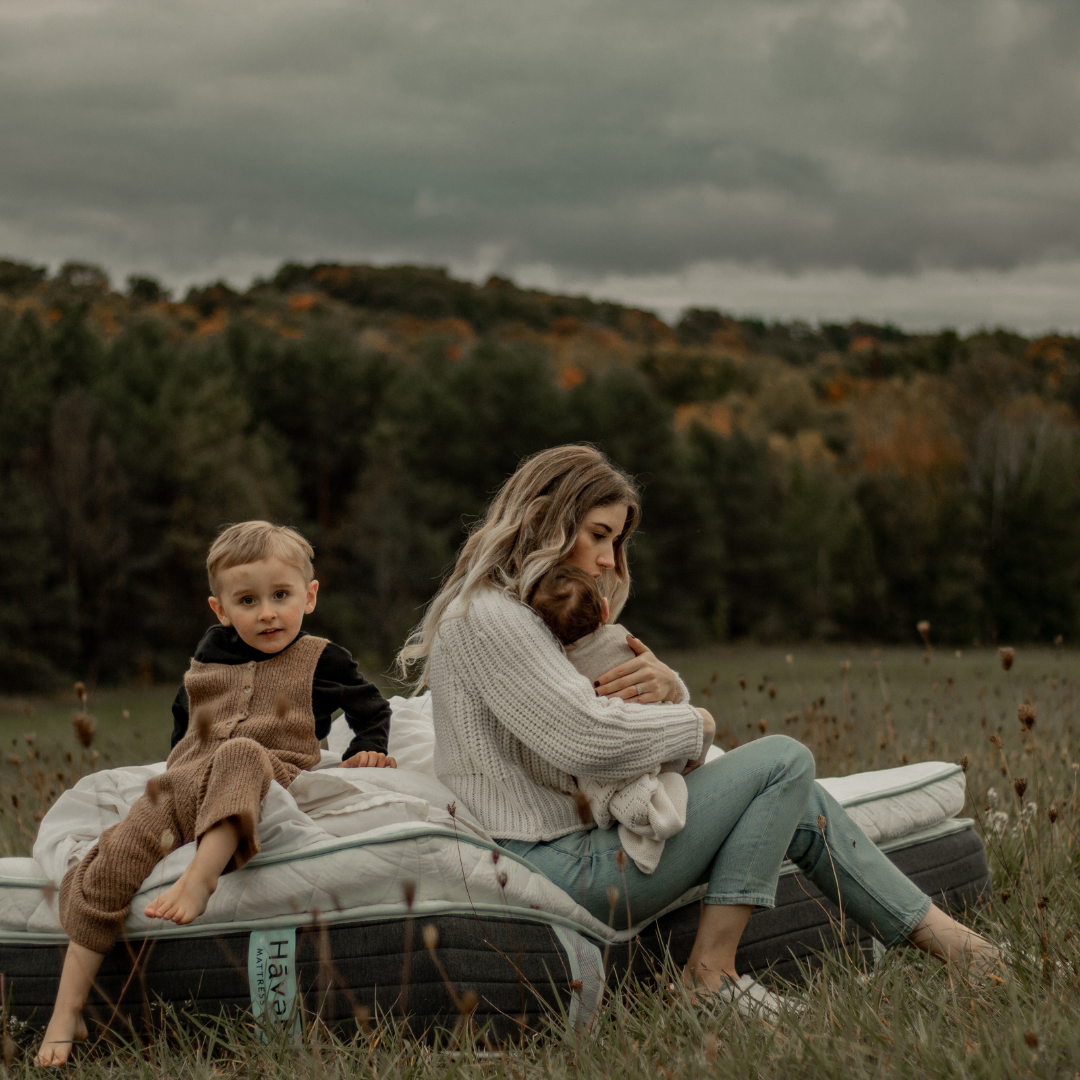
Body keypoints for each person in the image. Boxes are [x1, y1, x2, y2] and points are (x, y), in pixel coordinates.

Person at [399, 444, 997, 1017]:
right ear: (546, 522)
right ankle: (710, 976)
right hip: (557, 865)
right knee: (783, 761)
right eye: (599, 535)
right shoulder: (488, 618)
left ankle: (964, 952)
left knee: (799, 793)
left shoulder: (526, 619)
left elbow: (599, 718)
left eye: (617, 541)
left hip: (570, 849)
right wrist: (699, 722)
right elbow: (589, 739)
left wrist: (671, 691)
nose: (609, 560)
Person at [36, 521, 395, 1066]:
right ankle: (67, 1015)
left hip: (266, 768)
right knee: (108, 861)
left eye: (281, 596)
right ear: (221, 609)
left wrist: (366, 748)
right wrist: (170, 783)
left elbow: (372, 708)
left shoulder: (322, 658)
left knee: (240, 753)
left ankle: (200, 879)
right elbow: (182, 735)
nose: (268, 612)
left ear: (310, 595)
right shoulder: (203, 662)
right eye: (248, 601)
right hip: (185, 782)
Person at [530, 563, 690, 873]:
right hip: (657, 736)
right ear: (605, 611)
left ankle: (638, 806)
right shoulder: (622, 637)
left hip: (619, 758)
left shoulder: (560, 663)